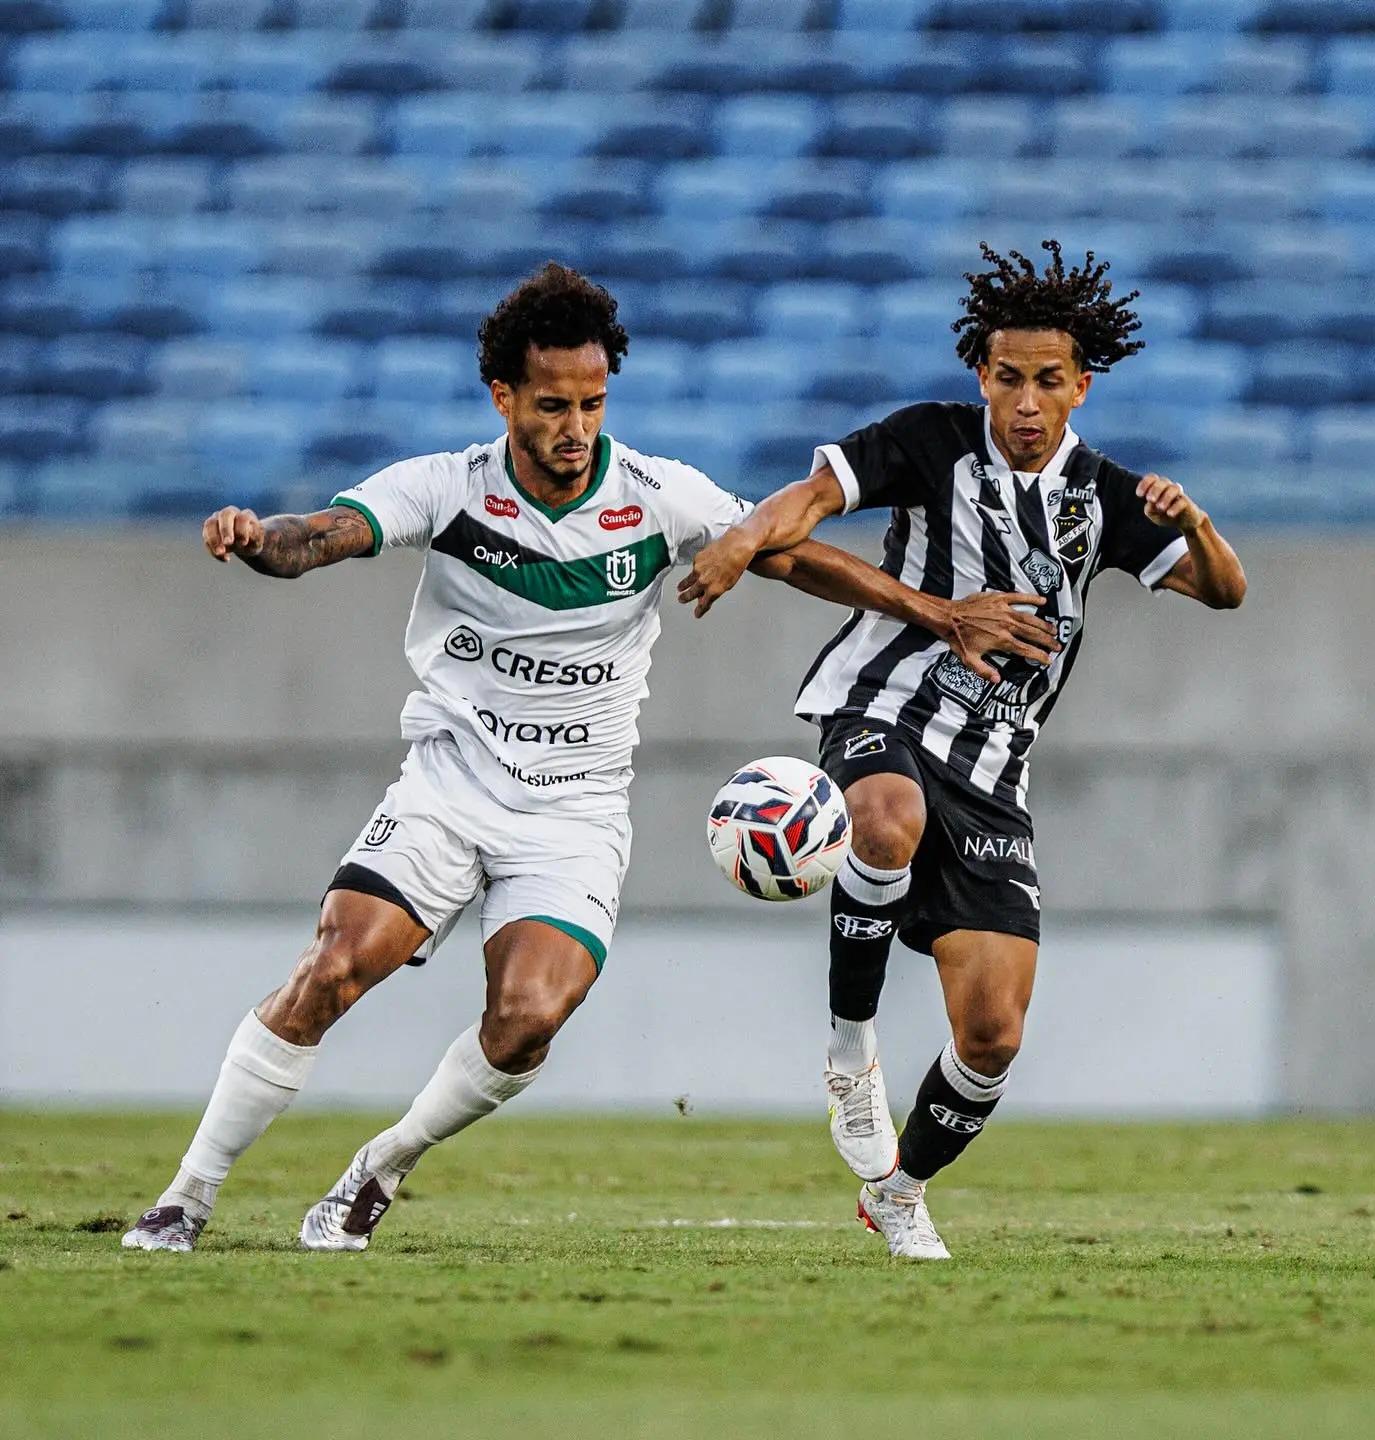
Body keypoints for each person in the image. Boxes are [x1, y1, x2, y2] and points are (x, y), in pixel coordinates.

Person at [120, 262, 1048, 1255]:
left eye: (593, 403)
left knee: (526, 1019)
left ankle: (379, 1167)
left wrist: (939, 612)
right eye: (553, 404)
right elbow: (326, 534)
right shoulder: (446, 488)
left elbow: (793, 556)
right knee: (336, 968)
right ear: (504, 397)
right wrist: (261, 538)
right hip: (447, 786)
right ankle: (188, 1193)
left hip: (574, 814)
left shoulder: (654, 496)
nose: (575, 426)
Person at [679, 241, 1247, 1260]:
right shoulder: (929, 443)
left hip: (995, 770)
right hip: (884, 700)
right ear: (981, 375)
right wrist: (737, 542)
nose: (1025, 402)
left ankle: (898, 1193)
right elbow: (801, 507)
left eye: (1047, 381)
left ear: (1081, 385)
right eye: (1007, 378)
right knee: (883, 821)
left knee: (993, 1034)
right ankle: (852, 1042)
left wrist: (1195, 520)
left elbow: (1225, 589)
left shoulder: (1107, 497)